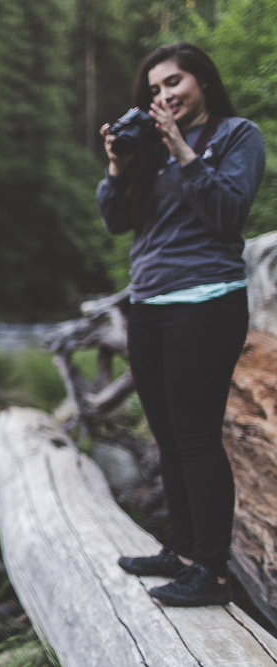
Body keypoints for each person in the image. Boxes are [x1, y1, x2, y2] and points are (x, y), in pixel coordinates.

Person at [97, 42, 266, 607]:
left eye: (173, 83)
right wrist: (120, 165)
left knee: (196, 436)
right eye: (154, 90)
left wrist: (182, 149)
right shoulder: (145, 145)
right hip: (149, 304)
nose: (164, 96)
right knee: (167, 434)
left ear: (203, 82)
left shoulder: (237, 136)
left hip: (208, 301)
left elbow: (228, 211)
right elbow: (117, 221)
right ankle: (184, 549)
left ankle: (213, 572)